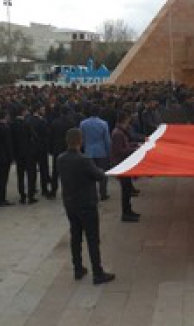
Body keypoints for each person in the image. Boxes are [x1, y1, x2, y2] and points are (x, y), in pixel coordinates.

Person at [57, 127, 115, 284]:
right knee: (92, 238)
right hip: (86, 203)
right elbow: (98, 176)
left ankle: (78, 268)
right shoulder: (84, 160)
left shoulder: (61, 158)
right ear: (80, 141)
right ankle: (97, 272)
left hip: (70, 203)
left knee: (75, 236)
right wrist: (102, 171)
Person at [111, 111, 140, 222]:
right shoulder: (118, 133)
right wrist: (134, 149)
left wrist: (136, 145)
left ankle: (129, 211)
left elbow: (126, 145)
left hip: (124, 163)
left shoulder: (120, 132)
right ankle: (126, 213)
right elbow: (119, 151)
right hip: (121, 164)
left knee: (127, 189)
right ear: (125, 120)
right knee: (125, 190)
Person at [80, 104, 111, 201]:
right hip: (101, 151)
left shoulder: (83, 123)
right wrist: (109, 152)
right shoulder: (103, 123)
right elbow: (107, 140)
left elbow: (82, 138)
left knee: (90, 175)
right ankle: (103, 194)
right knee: (103, 173)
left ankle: (92, 194)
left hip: (88, 151)